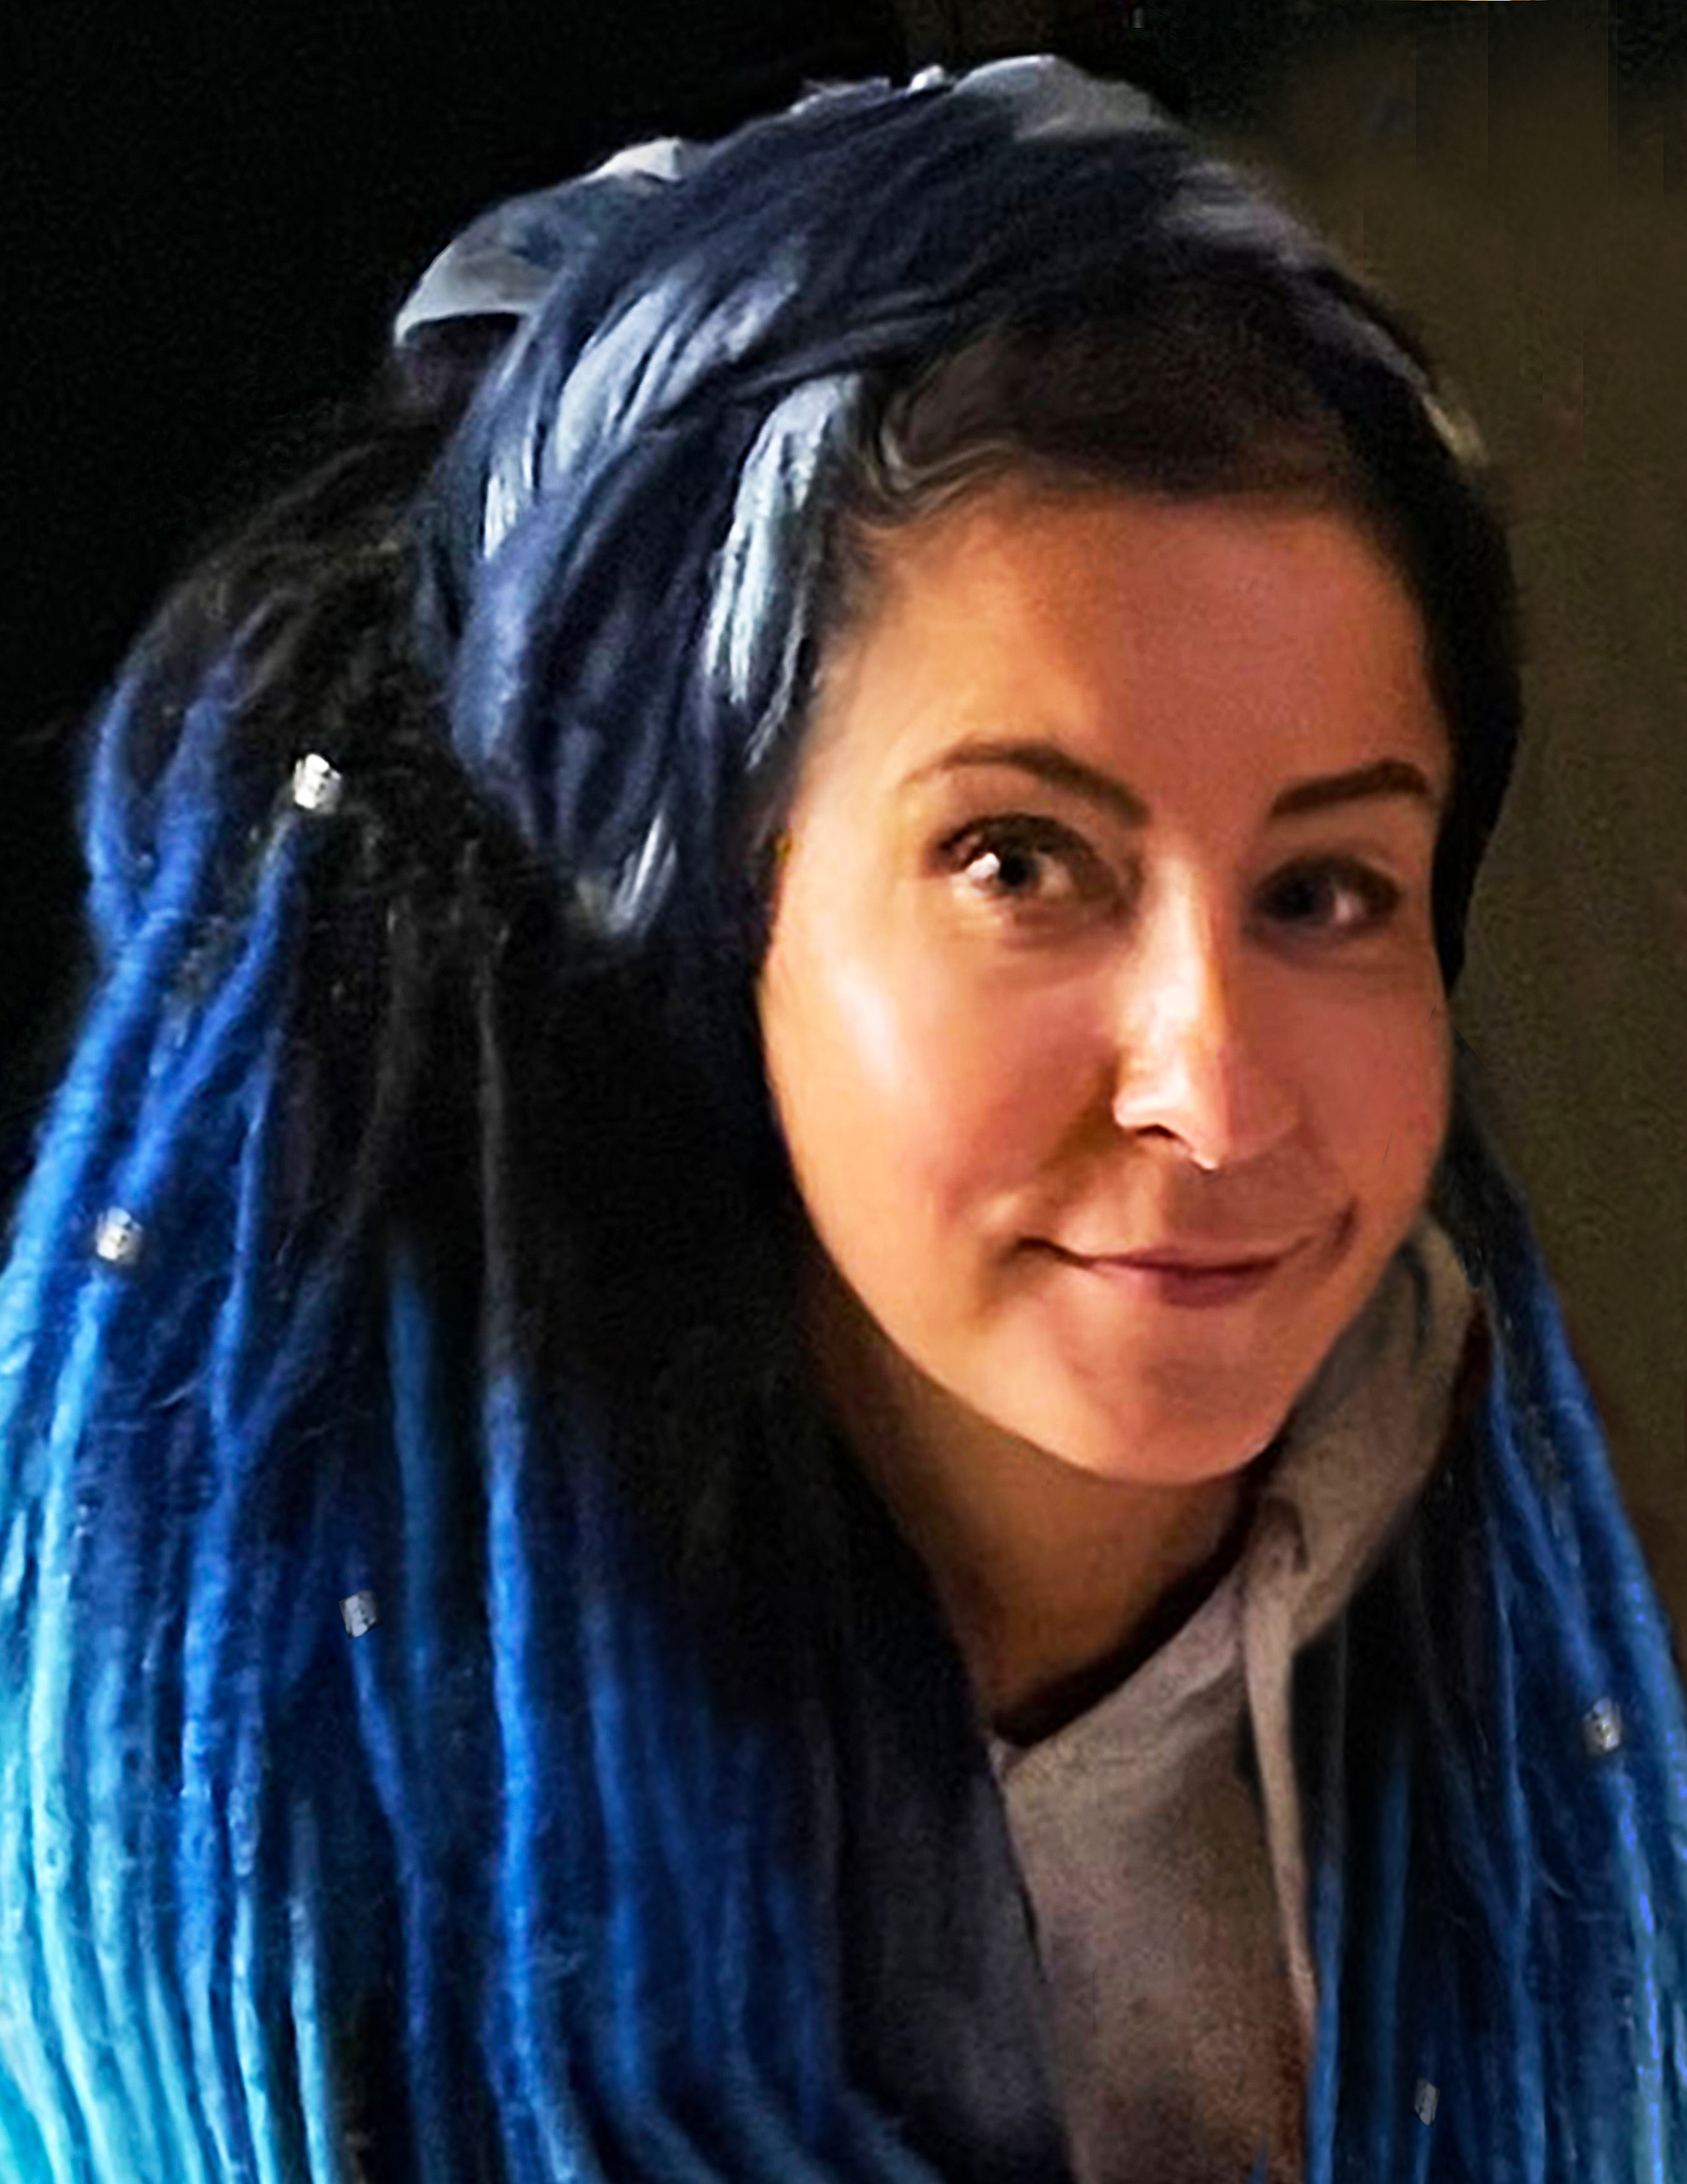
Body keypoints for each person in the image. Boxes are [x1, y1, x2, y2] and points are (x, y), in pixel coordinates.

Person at [0, 54, 1683, 2184]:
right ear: (709, 916)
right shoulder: (270, 1823)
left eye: (1325, 888)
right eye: (1019, 860)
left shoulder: (1528, 1672)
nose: (1216, 1085)